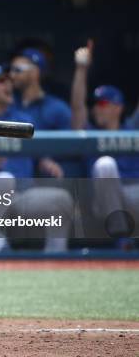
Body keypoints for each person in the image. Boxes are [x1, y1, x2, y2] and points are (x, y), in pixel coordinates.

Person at [0, 63, 73, 253]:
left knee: (61, 199)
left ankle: (55, 260)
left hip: (21, 195)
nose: (8, 85)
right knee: (4, 179)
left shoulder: (22, 119)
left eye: (9, 80)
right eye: (1, 81)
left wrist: (45, 161)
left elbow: (38, 154)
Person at [70, 41, 139, 238]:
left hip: (134, 194)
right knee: (105, 164)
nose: (96, 108)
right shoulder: (89, 131)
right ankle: (119, 236)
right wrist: (81, 69)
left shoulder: (132, 128)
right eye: (95, 104)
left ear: (118, 107)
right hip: (102, 203)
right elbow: (77, 107)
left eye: (103, 103)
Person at [9, 47, 70, 178]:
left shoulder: (58, 108)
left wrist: (47, 159)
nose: (11, 75)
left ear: (35, 72)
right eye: (11, 70)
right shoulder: (7, 104)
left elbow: (72, 147)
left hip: (44, 178)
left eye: (17, 70)